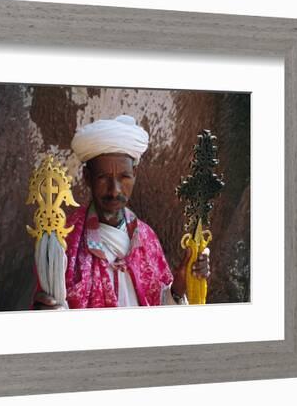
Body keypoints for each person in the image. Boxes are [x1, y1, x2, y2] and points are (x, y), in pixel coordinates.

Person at [32, 115, 210, 310]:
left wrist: (178, 287)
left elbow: (158, 308)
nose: (115, 190)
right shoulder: (66, 240)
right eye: (103, 177)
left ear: (135, 175)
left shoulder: (146, 237)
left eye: (124, 177)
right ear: (87, 178)